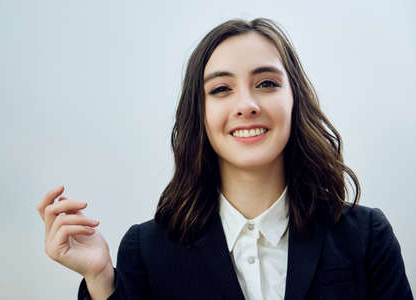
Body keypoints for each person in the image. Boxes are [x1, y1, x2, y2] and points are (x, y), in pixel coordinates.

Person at [37, 18, 413, 300]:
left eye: (266, 83)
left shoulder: (366, 237)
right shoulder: (147, 251)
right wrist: (101, 279)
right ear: (198, 113)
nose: (246, 106)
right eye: (221, 89)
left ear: (294, 99)